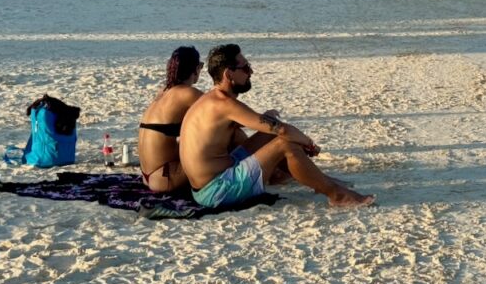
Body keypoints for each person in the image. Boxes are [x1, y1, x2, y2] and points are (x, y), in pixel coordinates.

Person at [180, 44, 375, 208]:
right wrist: (309, 144)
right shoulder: (225, 104)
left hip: (211, 180)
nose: (251, 72)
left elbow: (258, 126)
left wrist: (265, 119)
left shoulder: (212, 100)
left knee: (271, 136)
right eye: (245, 68)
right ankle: (336, 195)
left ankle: (320, 180)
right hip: (216, 191)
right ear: (228, 73)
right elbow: (282, 130)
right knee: (285, 143)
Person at [138, 47, 203, 192]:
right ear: (196, 68)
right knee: (218, 143)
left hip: (148, 176)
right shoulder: (188, 93)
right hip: (165, 178)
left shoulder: (163, 92)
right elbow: (222, 113)